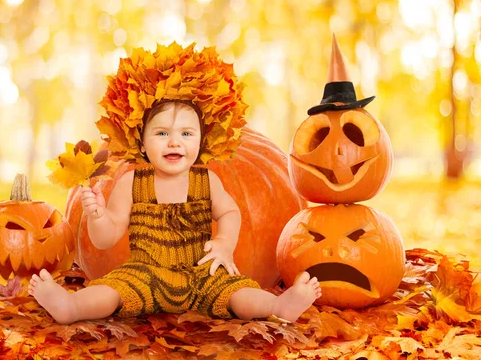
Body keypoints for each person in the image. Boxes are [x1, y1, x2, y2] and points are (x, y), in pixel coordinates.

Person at [28, 43, 321, 324]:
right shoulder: (131, 182)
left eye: (186, 134)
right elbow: (106, 238)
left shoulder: (207, 181)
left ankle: (279, 306)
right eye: (161, 134)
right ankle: (71, 307)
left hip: (201, 273)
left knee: (237, 294)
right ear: (141, 143)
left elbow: (230, 213)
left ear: (202, 141)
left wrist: (223, 244)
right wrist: (98, 216)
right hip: (145, 273)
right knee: (112, 291)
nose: (174, 142)